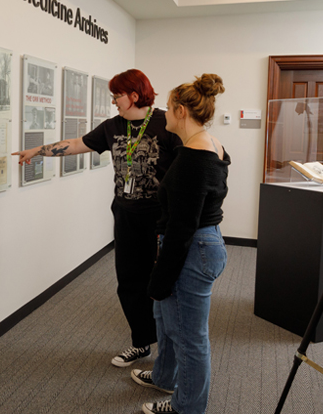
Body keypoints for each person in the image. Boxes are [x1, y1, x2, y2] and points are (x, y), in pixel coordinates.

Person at [12, 69, 182, 367]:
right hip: (126, 216)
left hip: (160, 218)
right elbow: (77, 144)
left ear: (133, 95)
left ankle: (171, 353)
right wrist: (38, 151)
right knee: (129, 282)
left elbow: (188, 166)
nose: (113, 102)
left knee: (163, 285)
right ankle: (140, 343)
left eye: (116, 96)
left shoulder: (166, 123)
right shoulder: (111, 126)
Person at [130, 73, 229, 414]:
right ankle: (164, 375)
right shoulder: (212, 145)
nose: (164, 114)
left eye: (168, 109)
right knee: (165, 318)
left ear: (182, 112)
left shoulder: (193, 159)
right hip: (202, 244)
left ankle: (187, 407)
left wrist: (160, 279)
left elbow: (182, 228)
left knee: (190, 337)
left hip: (193, 249)